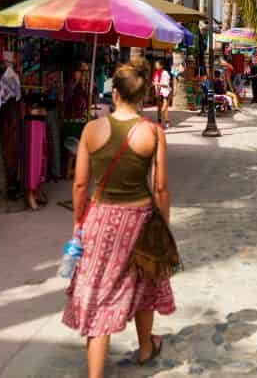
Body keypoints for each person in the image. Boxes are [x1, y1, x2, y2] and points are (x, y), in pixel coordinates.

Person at [64, 61, 175, 375]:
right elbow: (161, 186)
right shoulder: (152, 132)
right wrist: (163, 225)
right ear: (142, 97)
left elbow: (81, 184)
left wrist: (78, 221)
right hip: (140, 217)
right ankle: (145, 348)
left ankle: (96, 373)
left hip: (100, 218)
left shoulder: (91, 130)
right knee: (146, 282)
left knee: (100, 293)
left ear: (114, 93)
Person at [152, 60, 171, 128]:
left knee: (164, 108)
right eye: (155, 64)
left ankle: (166, 121)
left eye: (157, 64)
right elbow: (154, 82)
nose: (156, 66)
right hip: (158, 92)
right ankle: (160, 122)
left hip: (165, 92)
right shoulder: (155, 73)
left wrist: (157, 84)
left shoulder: (165, 73)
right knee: (159, 108)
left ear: (161, 66)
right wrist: (154, 84)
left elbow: (166, 84)